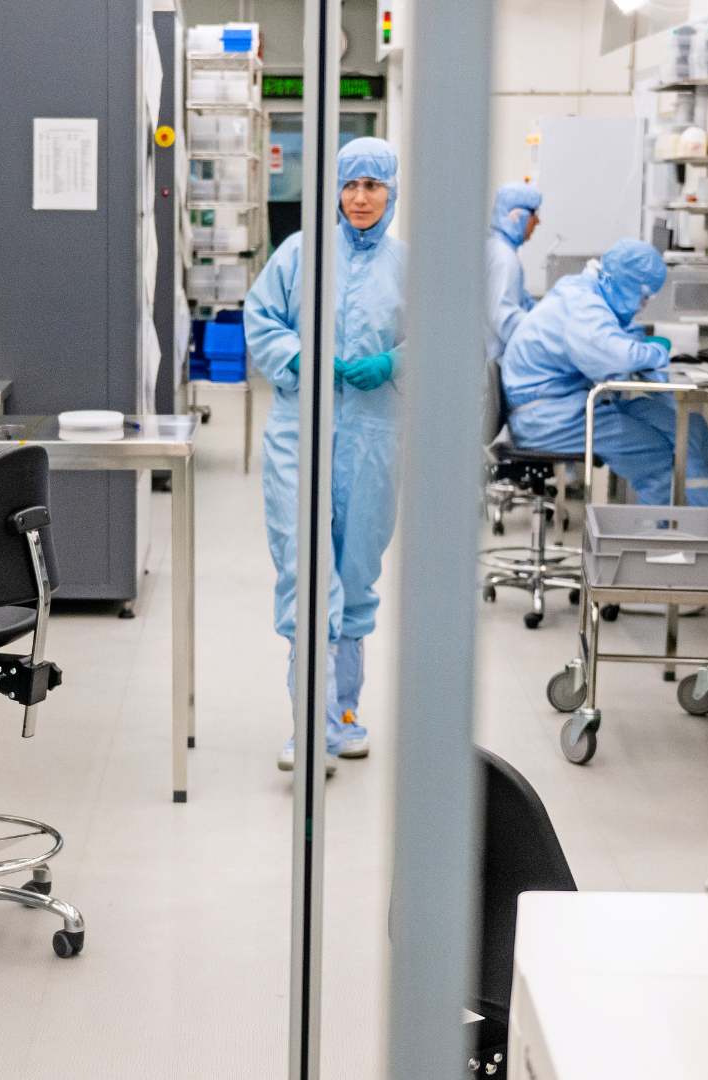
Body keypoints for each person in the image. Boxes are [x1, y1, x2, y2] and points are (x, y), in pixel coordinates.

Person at [245, 137, 406, 774]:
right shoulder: (299, 254)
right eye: (351, 185)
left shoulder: (408, 265)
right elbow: (261, 321)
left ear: (391, 191)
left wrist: (395, 360)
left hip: (374, 437)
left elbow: (439, 336)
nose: (361, 198)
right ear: (335, 190)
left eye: (374, 185)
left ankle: (344, 714)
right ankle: (307, 726)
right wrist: (304, 361)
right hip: (299, 434)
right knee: (305, 571)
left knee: (358, 571)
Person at [501, 239, 708, 507]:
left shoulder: (583, 289)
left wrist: (634, 339)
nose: (643, 304)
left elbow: (609, 336)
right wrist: (658, 351)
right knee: (655, 456)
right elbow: (617, 356)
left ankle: (705, 530)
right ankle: (657, 544)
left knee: (689, 429)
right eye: (644, 297)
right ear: (629, 285)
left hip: (561, 405)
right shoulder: (585, 305)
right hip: (548, 418)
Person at [487, 182, 543, 361]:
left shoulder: (499, 250)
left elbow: (523, 301)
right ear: (517, 215)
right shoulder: (504, 258)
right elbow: (504, 317)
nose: (538, 221)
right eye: (534, 214)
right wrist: (543, 335)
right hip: (498, 362)